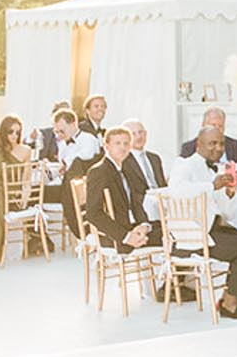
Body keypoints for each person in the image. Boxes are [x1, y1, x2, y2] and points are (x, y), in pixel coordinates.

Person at [165, 125, 237, 318]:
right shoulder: (183, 164)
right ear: (198, 144)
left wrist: (228, 193)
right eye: (212, 143)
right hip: (190, 237)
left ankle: (230, 297)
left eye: (221, 144)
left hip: (211, 229)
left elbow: (226, 213)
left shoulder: (213, 171)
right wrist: (212, 185)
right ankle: (230, 303)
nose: (218, 148)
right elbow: (177, 190)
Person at [84, 127, 161, 256]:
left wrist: (144, 225)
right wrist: (126, 237)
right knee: (174, 238)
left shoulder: (127, 169)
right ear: (106, 146)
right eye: (117, 143)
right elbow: (93, 213)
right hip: (114, 236)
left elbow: (136, 202)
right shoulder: (99, 171)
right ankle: (174, 275)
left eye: (126, 143)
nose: (122, 147)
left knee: (173, 231)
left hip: (132, 227)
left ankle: (172, 275)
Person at [45, 105, 100, 241]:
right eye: (56, 132)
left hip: (84, 188)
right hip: (66, 184)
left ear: (73, 124)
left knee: (67, 195)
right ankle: (40, 240)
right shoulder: (63, 143)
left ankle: (85, 235)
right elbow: (62, 167)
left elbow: (84, 159)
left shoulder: (89, 139)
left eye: (61, 131)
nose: (59, 135)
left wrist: (65, 164)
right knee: (36, 193)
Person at [0, 115, 36, 260]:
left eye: (17, 132)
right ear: (3, 132)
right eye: (10, 132)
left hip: (13, 196)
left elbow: (26, 179)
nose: (14, 135)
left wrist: (24, 198)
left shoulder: (25, 150)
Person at [124, 120, 167, 197]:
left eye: (140, 132)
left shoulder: (155, 158)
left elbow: (163, 185)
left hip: (162, 200)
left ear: (146, 134)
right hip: (140, 204)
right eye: (133, 134)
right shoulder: (124, 160)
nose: (138, 137)